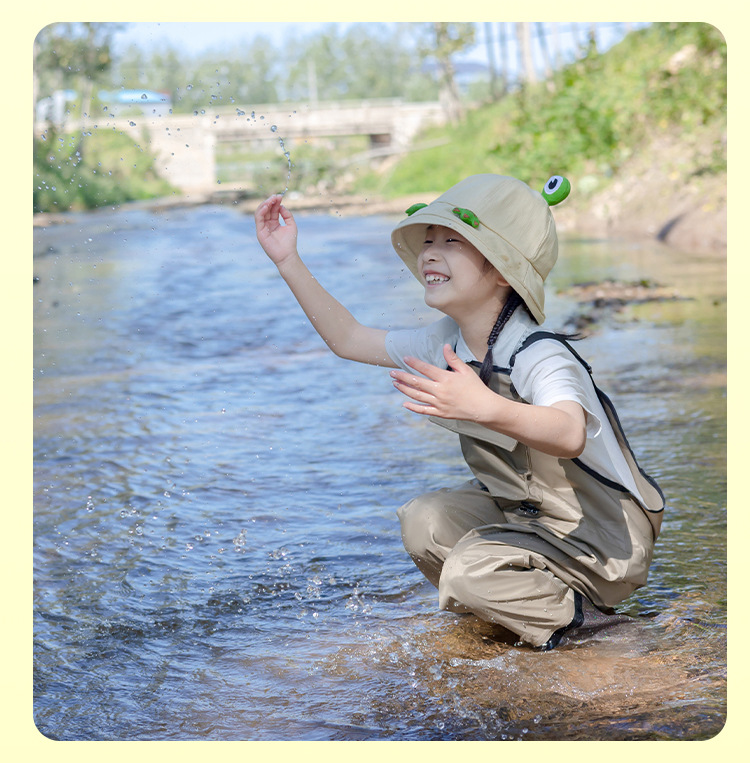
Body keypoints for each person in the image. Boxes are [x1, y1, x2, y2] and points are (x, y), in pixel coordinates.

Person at [254, 174, 665, 650]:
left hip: (603, 541)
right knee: (424, 521)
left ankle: (589, 627)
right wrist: (288, 260)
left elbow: (569, 432)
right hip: (527, 517)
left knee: (468, 571)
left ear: (504, 269)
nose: (430, 253)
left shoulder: (538, 353)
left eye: (452, 241)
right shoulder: (446, 341)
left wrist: (485, 406)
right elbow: (349, 339)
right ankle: (516, 609)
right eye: (428, 240)